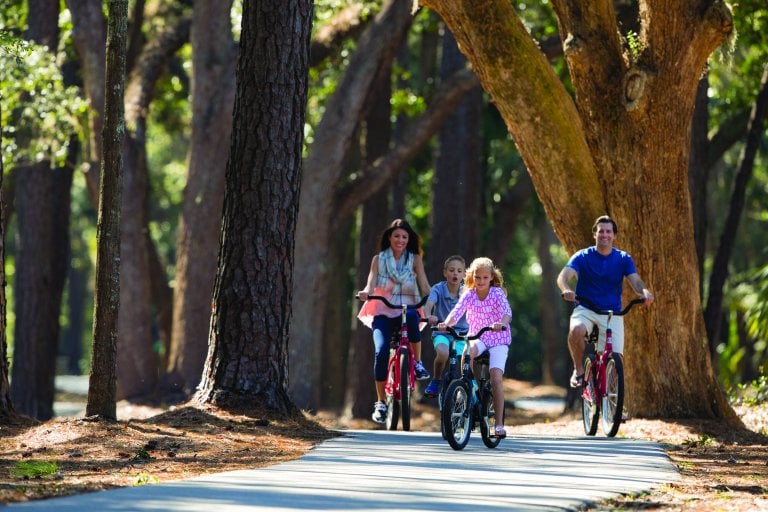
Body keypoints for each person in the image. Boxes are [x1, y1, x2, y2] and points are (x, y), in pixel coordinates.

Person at [556, 214, 655, 388]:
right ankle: (578, 370)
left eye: (609, 232)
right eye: (601, 231)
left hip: (612, 312)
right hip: (586, 308)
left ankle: (612, 402)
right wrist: (566, 290)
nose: (605, 235)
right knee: (576, 330)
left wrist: (644, 292)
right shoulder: (582, 256)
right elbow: (563, 276)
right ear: (595, 234)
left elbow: (636, 281)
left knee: (614, 358)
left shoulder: (623, 259)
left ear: (614, 235)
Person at [357, 219, 432, 424]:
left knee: (415, 319)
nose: (400, 240)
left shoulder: (414, 259)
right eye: (397, 236)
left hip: (408, 309)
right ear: (389, 237)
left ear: (409, 240)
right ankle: (381, 402)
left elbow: (424, 285)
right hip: (382, 311)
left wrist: (433, 298)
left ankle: (416, 364)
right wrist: (365, 292)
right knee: (381, 352)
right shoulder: (378, 260)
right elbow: (371, 284)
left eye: (404, 237)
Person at [437, 257, 512, 438]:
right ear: (472, 277)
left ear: (491, 278)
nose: (480, 281)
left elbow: (506, 313)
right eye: (477, 277)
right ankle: (467, 390)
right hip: (478, 336)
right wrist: (446, 324)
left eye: (485, 278)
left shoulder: (497, 293)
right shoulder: (469, 293)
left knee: (495, 377)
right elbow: (456, 312)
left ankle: (499, 424)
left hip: (498, 338)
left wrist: (500, 323)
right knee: (467, 353)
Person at [424, 255, 470, 398]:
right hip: (441, 333)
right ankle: (436, 380)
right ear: (445, 273)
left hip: (462, 335)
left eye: (459, 271)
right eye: (451, 270)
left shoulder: (467, 292)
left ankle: (466, 388)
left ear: (464, 274)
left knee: (462, 360)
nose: (455, 273)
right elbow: (428, 306)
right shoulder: (438, 289)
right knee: (443, 354)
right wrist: (429, 316)